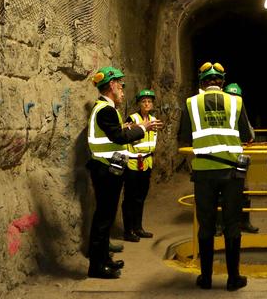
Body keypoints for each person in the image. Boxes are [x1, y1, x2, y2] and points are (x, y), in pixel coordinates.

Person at [178, 62, 252, 291]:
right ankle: (233, 279)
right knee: (232, 224)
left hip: (203, 172)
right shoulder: (236, 101)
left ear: (202, 82)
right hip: (231, 173)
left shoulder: (191, 103)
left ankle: (206, 278)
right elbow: (246, 134)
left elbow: (185, 137)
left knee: (206, 225)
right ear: (221, 81)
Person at [86, 67, 164, 279]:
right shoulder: (105, 109)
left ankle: (104, 259)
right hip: (105, 170)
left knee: (107, 217)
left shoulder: (108, 109)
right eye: (121, 85)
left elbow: (114, 131)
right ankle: (96, 266)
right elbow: (118, 137)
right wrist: (143, 128)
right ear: (111, 86)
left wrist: (128, 126)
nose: (122, 90)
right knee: (103, 219)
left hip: (107, 169)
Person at [122, 89, 158, 242]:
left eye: (149, 101)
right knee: (130, 197)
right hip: (133, 163)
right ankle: (128, 230)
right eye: (144, 101)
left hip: (147, 162)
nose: (147, 104)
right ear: (139, 104)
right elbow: (126, 137)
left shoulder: (153, 119)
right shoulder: (133, 118)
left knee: (141, 197)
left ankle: (138, 227)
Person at [223, 83, 258, 234]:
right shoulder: (221, 116)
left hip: (239, 158)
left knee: (243, 190)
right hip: (223, 158)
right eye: (231, 96)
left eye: (237, 97)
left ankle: (244, 222)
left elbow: (251, 134)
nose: (234, 100)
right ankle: (220, 225)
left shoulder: (241, 114)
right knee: (222, 192)